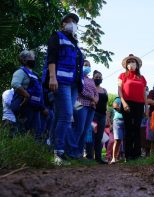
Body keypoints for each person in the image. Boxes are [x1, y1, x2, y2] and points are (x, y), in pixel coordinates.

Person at [42, 13, 84, 165]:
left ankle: (52, 149)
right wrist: (52, 77)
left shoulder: (75, 43)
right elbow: (51, 57)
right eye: (69, 21)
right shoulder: (56, 36)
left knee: (59, 116)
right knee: (66, 115)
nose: (72, 23)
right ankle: (58, 153)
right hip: (60, 81)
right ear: (63, 24)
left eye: (74, 21)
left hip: (73, 85)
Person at [66, 60, 98, 159]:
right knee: (79, 128)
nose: (87, 67)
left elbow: (96, 92)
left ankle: (79, 154)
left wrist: (95, 100)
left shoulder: (91, 80)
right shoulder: (78, 77)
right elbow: (81, 90)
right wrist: (92, 98)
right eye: (85, 65)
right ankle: (71, 152)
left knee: (85, 131)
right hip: (81, 105)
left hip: (91, 107)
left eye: (88, 65)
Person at [118, 54, 147, 161]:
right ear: (126, 65)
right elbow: (119, 91)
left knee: (137, 128)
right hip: (127, 103)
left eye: (133, 62)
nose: (131, 64)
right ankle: (128, 154)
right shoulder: (122, 76)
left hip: (139, 104)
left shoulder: (142, 78)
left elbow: (144, 94)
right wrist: (124, 103)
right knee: (128, 128)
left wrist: (146, 107)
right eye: (129, 62)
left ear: (137, 65)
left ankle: (137, 154)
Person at [86, 70, 108, 163]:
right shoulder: (91, 89)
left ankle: (98, 157)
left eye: (100, 77)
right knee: (91, 135)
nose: (98, 79)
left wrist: (107, 117)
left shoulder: (104, 90)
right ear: (93, 78)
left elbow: (106, 104)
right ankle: (89, 156)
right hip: (93, 114)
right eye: (96, 77)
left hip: (103, 115)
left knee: (99, 136)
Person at [110, 97, 125, 164]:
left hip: (127, 121)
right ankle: (114, 158)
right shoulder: (117, 99)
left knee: (126, 140)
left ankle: (125, 157)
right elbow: (115, 105)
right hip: (117, 121)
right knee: (117, 140)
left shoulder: (129, 99)